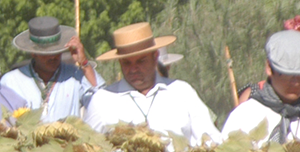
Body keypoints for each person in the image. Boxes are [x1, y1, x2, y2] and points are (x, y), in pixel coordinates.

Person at [84, 23, 220, 145]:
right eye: (127, 63)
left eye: (140, 61)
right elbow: (88, 148)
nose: (133, 69)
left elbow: (211, 140)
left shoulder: (181, 92)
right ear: (120, 62)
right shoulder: (103, 101)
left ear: (155, 57)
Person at [0, 16, 103, 122]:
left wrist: (84, 63)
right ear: (33, 53)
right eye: (46, 53)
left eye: (57, 51)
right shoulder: (11, 81)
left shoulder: (75, 75)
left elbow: (100, 99)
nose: (53, 57)